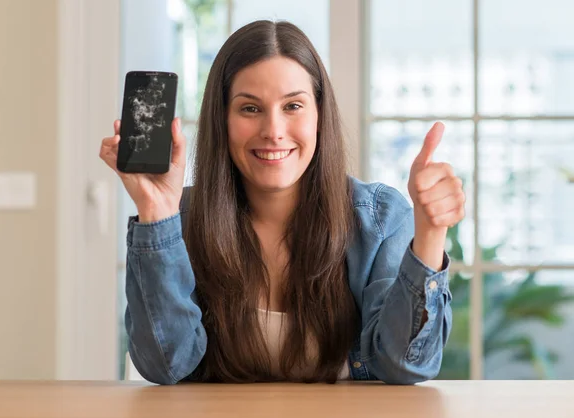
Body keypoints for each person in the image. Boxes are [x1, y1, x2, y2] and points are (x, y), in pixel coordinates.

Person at [99, 20, 463, 385]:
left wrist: (430, 234)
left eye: (292, 106)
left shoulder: (381, 219)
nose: (273, 130)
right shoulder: (180, 221)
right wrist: (158, 213)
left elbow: (404, 365)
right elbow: (166, 366)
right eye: (250, 109)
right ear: (222, 119)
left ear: (319, 116)